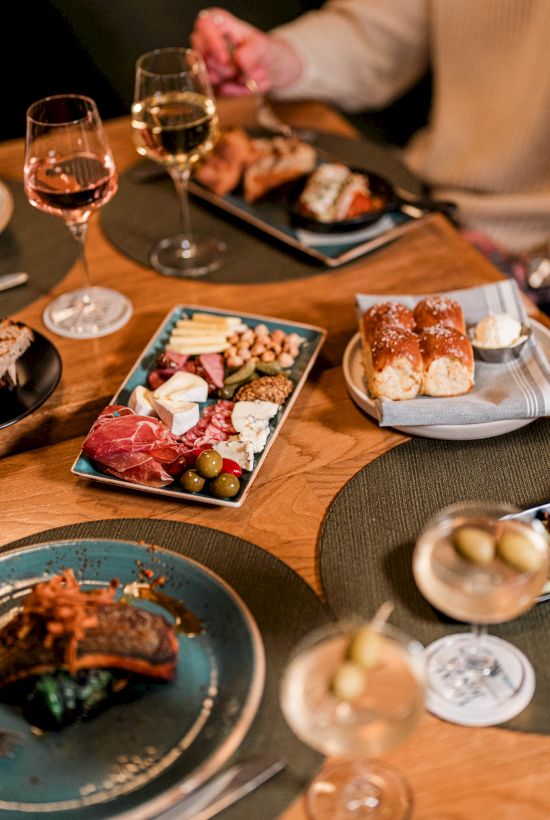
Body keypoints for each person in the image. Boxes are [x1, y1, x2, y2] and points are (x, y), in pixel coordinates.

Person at [191, 0, 550, 289]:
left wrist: (538, 271)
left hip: (530, 258)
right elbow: (379, 32)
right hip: (426, 207)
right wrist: (279, 59)